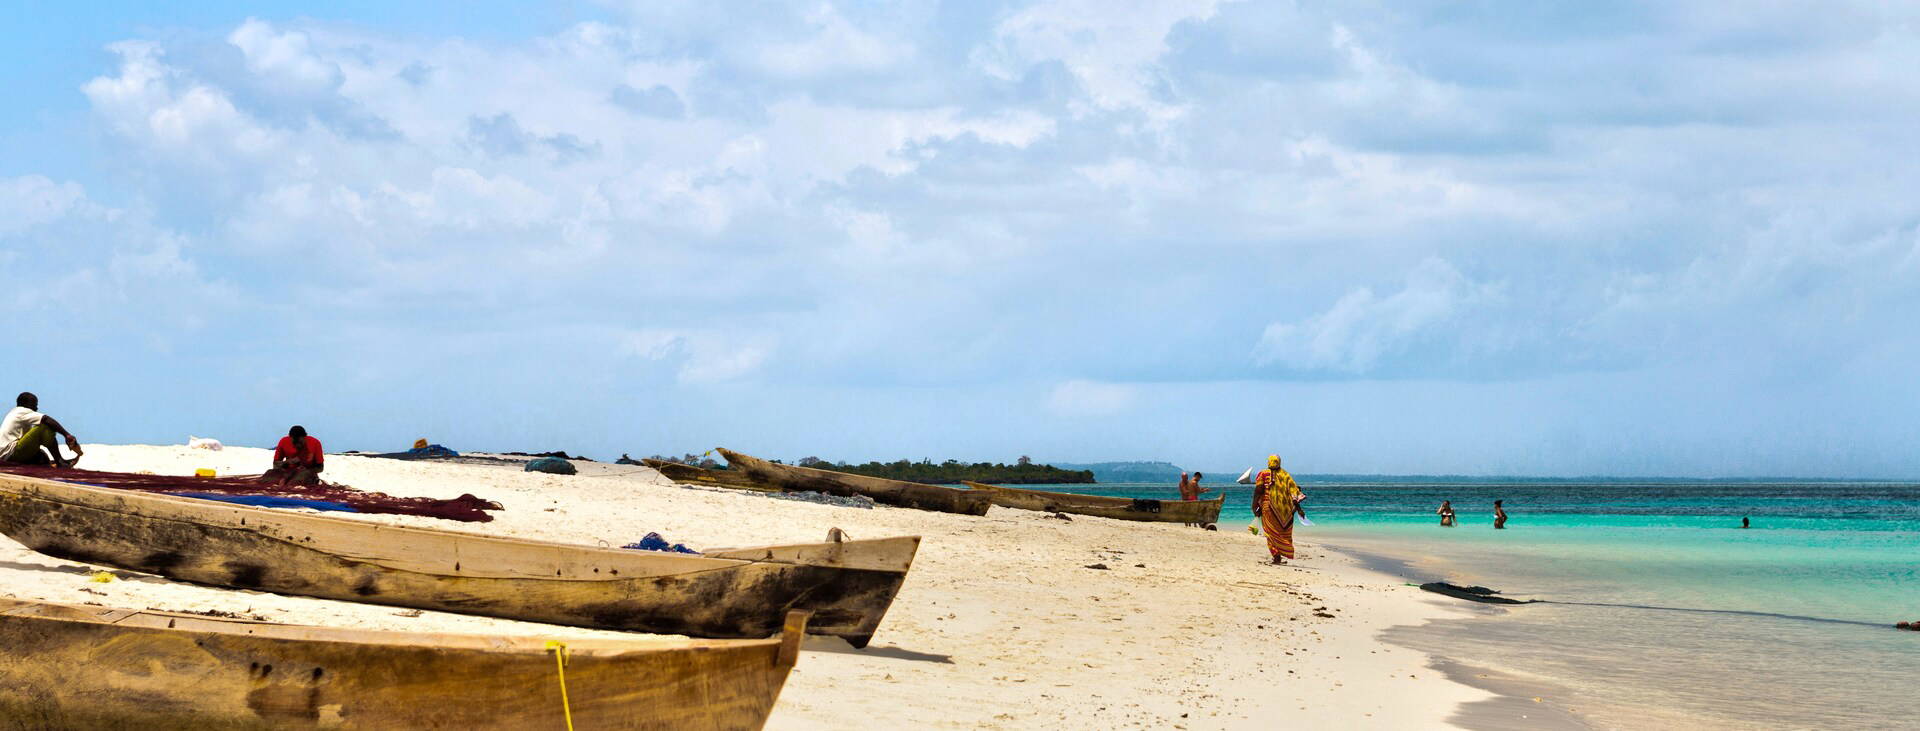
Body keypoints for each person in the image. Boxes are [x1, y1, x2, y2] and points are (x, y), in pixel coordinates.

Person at [0, 392, 82, 468]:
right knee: (44, 427)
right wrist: (66, 435)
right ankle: (59, 461)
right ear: (25, 404)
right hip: (10, 453)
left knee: (40, 454)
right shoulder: (22, 410)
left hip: (7, 454)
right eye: (34, 405)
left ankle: (52, 463)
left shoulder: (15, 413)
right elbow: (46, 419)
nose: (36, 408)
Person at [1252, 455, 1304, 564]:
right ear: (1279, 462)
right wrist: (1299, 509)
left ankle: (1276, 556)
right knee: (1281, 533)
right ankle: (1279, 554)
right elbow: (1294, 493)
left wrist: (1254, 505)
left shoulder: (1263, 474)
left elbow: (1258, 490)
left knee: (1270, 533)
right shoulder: (1285, 475)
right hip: (1284, 511)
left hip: (1268, 507)